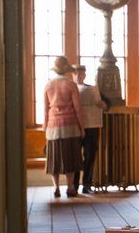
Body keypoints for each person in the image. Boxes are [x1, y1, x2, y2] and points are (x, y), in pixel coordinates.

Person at [43, 56, 84, 198]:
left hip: (52, 126)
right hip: (70, 126)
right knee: (70, 157)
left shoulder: (48, 85)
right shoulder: (71, 85)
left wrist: (45, 127)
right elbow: (78, 108)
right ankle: (70, 187)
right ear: (67, 70)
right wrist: (82, 127)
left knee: (54, 159)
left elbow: (45, 109)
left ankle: (56, 187)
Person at [71, 65, 107, 194]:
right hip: (74, 126)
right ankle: (74, 185)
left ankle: (87, 184)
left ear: (85, 75)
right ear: (72, 75)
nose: (79, 76)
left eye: (81, 74)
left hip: (92, 126)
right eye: (76, 74)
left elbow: (106, 103)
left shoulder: (92, 89)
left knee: (90, 155)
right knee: (75, 156)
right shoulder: (69, 88)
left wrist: (103, 105)